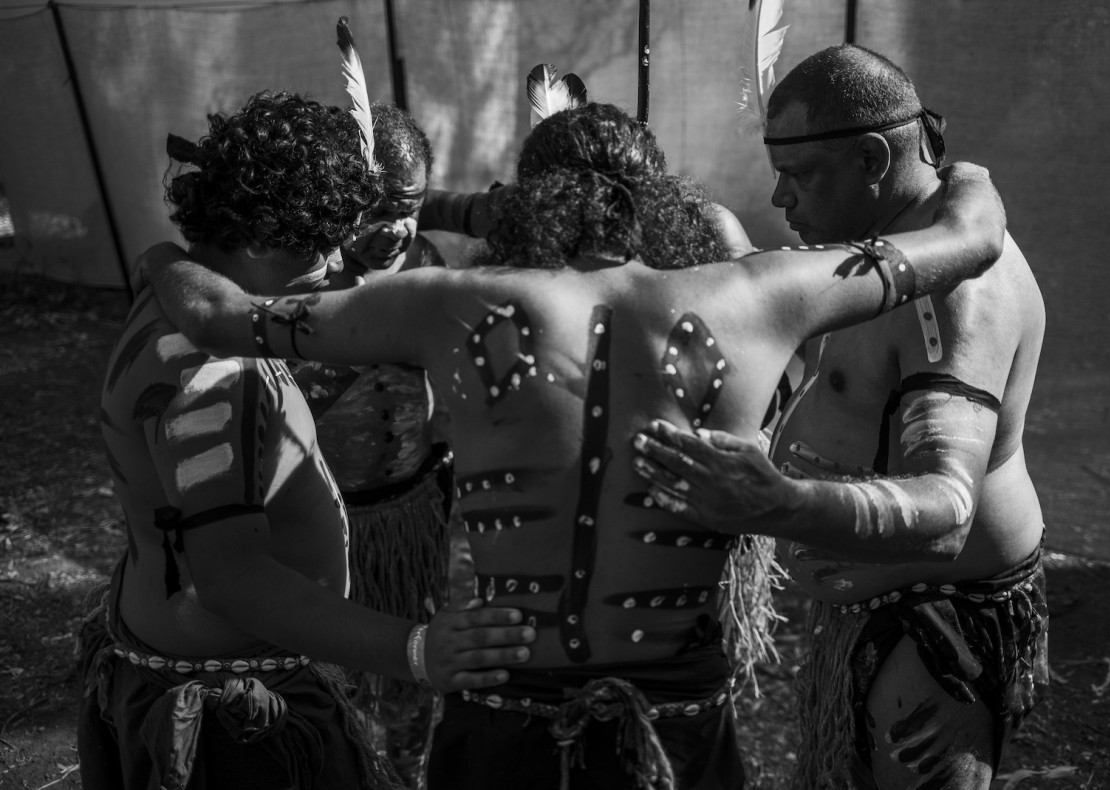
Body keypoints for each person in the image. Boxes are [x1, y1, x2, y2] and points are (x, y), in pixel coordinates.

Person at [135, 101, 1006, 790]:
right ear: (660, 195)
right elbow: (969, 240)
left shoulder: (449, 302)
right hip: (676, 719)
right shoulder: (765, 292)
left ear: (527, 200)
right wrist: (959, 165)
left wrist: (160, 252)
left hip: (499, 706)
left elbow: (216, 316)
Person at [79, 90, 533, 790]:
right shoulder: (213, 374)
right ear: (260, 237)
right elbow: (231, 578)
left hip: (202, 670)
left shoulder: (174, 296)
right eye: (320, 242)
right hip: (238, 722)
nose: (332, 264)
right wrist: (414, 649)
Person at [630, 45, 1048, 789]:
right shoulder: (891, 254)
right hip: (878, 613)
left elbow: (948, 506)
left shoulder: (955, 293)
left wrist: (776, 502)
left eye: (800, 177)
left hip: (935, 634)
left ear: (871, 159)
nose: (783, 199)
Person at [287, 102, 470, 785]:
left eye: (411, 205)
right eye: (377, 207)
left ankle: (408, 773)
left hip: (415, 513)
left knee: (413, 667)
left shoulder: (425, 260)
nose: (395, 225)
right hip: (323, 524)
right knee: (335, 675)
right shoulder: (300, 280)